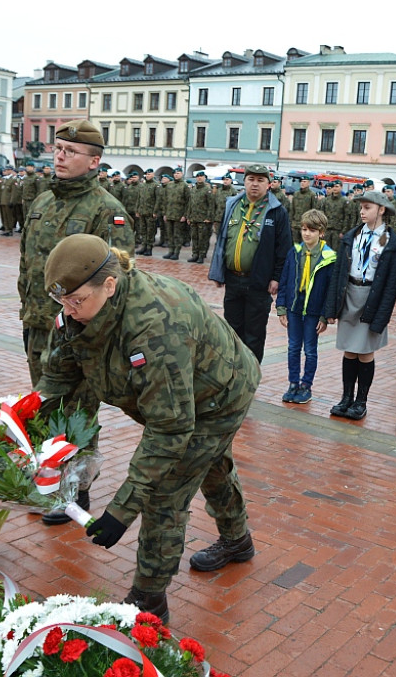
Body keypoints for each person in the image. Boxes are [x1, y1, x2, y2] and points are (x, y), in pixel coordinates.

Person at [38, 234, 260, 625]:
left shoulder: (155, 325)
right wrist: (17, 423)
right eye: (62, 301)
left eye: (76, 301)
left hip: (218, 395)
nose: (69, 311)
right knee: (208, 463)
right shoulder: (79, 309)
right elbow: (57, 375)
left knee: (166, 490)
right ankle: (238, 540)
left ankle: (148, 600)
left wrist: (122, 509)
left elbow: (170, 428)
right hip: (177, 402)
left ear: (109, 284)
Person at [18, 119, 134, 527]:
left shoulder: (107, 211)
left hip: (79, 334)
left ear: (94, 161)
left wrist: (89, 334)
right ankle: (53, 481)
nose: (60, 156)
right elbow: (28, 264)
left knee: (77, 412)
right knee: (46, 407)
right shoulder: (42, 202)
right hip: (38, 325)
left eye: (71, 151)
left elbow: (117, 281)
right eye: (58, 148)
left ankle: (76, 488)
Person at [324, 192, 396, 420]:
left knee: (365, 351)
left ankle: (361, 401)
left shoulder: (392, 243)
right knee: (350, 349)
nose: (362, 211)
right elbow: (339, 272)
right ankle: (346, 397)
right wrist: (331, 308)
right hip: (350, 293)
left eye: (367, 207)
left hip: (372, 297)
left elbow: (391, 285)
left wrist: (382, 316)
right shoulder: (352, 236)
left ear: (381, 210)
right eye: (361, 207)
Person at [208, 164, 293, 362]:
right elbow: (223, 239)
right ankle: (232, 374)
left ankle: (250, 376)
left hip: (258, 283)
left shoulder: (276, 212)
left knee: (254, 334)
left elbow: (284, 249)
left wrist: (277, 278)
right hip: (233, 279)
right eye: (251, 179)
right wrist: (219, 271)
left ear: (269, 184)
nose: (255, 184)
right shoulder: (233, 205)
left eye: (260, 180)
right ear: (244, 182)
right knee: (232, 331)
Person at [276, 209, 336, 405]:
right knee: (293, 348)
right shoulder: (295, 252)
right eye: (304, 229)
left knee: (310, 350)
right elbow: (284, 280)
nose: (307, 234)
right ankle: (293, 383)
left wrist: (325, 316)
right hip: (294, 308)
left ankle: (306, 385)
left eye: (311, 230)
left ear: (321, 233)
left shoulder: (329, 257)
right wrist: (281, 307)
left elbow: (330, 289)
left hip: (313, 312)